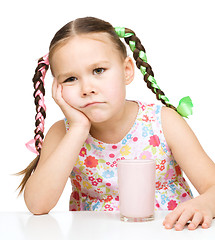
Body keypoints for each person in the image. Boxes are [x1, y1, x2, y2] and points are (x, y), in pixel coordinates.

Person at [17, 16, 215, 231]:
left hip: (166, 232)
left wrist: (205, 203)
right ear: (57, 88)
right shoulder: (63, 133)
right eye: (70, 79)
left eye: (98, 71)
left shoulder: (163, 121)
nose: (87, 88)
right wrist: (78, 129)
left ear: (127, 70)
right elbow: (38, 205)